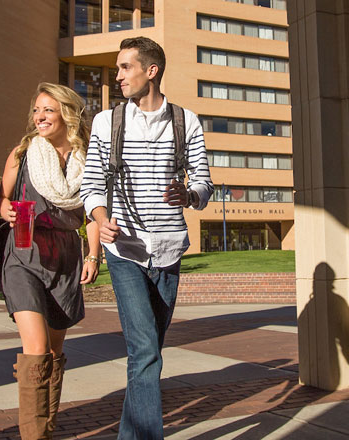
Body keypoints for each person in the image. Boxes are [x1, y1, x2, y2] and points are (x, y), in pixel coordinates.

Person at [80, 36, 214, 440]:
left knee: (149, 352)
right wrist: (101, 219)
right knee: (143, 352)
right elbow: (91, 186)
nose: (118, 76)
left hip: (169, 250)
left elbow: (205, 185)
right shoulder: (108, 122)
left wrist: (188, 194)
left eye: (125, 67)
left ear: (150, 71)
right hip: (124, 251)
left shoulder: (186, 121)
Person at [0, 82, 102, 439]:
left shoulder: (87, 159)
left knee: (54, 353)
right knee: (37, 348)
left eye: (48, 110)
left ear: (67, 115)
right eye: (37, 110)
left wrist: (93, 254)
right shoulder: (23, 153)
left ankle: (46, 426)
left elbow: (91, 213)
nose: (39, 117)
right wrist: (4, 208)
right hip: (24, 253)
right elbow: (3, 197)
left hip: (65, 257)